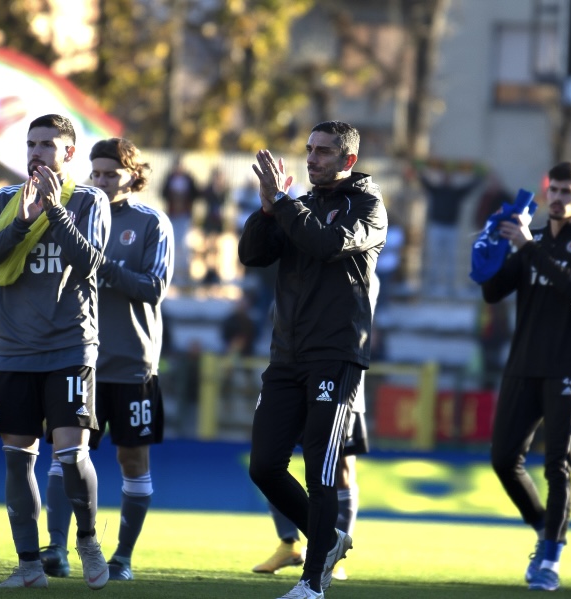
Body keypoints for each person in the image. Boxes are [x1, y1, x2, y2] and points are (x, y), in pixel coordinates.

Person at [239, 120, 387, 599]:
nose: (312, 158)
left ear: (348, 160)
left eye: (323, 151)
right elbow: (252, 255)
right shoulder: (295, 207)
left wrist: (282, 204)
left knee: (321, 469)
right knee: (263, 465)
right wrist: (266, 210)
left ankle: (311, 584)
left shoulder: (368, 206)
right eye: (309, 149)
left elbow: (327, 245)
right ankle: (329, 540)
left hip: (336, 354)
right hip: (286, 355)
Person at [0, 113, 111, 590]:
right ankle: (29, 565)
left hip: (70, 345)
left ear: (69, 153)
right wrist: (23, 222)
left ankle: (87, 540)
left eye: (48, 144)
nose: (37, 151)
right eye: (32, 143)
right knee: (17, 458)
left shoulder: (90, 200)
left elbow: (89, 263)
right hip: (13, 350)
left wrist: (55, 211)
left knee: (71, 455)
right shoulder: (7, 200)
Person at [40, 137, 174, 583]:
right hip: (81, 361)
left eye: (110, 174)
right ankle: (55, 549)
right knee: (65, 456)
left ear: (133, 176)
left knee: (132, 462)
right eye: (95, 173)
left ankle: (123, 557)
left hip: (133, 364)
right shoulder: (72, 215)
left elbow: (154, 288)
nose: (100, 181)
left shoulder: (153, 223)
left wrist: (101, 265)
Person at [478, 161, 571, 591]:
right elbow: (493, 291)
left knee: (558, 465)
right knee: (503, 460)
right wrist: (491, 249)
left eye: (565, 192)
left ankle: (552, 556)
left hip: (567, 367)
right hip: (523, 364)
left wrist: (527, 247)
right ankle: (542, 527)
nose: (556, 199)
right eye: (552, 190)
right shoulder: (530, 238)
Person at [253, 274, 380, 580]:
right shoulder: (299, 260)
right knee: (270, 458)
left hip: (337, 374)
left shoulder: (357, 268)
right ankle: (290, 542)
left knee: (338, 466)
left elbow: (355, 322)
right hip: (293, 370)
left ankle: (332, 555)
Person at [414, 160, 482, 297]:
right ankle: (432, 286)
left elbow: (470, 187)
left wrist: (480, 176)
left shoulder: (456, 192)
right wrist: (418, 169)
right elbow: (424, 181)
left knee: (451, 258)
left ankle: (450, 287)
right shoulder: (436, 189)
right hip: (436, 226)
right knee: (434, 256)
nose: (446, 179)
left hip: (451, 228)